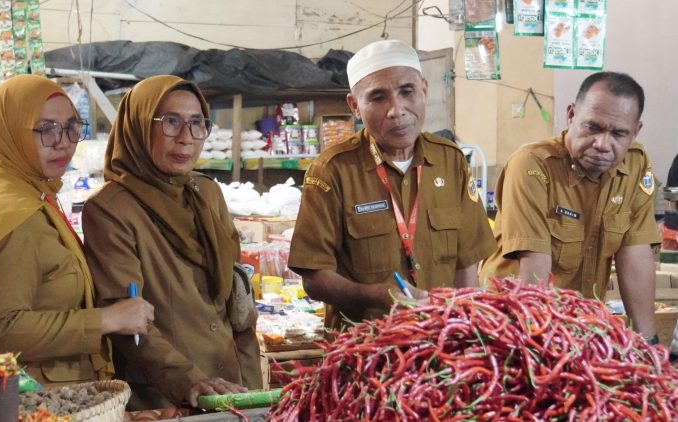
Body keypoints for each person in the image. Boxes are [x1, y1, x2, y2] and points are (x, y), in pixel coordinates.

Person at [0, 75, 154, 386]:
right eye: (46, 129)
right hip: (37, 402)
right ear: (9, 134)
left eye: (72, 127)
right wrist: (107, 319)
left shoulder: (34, 196)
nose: (63, 142)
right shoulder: (10, 213)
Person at [82, 75, 262, 410]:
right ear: (138, 127)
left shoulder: (206, 192)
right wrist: (187, 379)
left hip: (231, 382)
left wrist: (251, 385)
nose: (185, 139)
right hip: (164, 394)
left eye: (197, 124)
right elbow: (127, 322)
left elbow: (234, 297)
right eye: (170, 122)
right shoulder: (110, 209)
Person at [288, 40, 496, 328]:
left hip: (440, 347)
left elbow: (466, 266)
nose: (396, 110)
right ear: (355, 106)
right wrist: (374, 296)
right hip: (364, 351)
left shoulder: (451, 162)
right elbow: (314, 279)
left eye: (407, 91)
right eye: (377, 98)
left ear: (424, 90)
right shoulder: (331, 172)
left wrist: (465, 330)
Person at [480, 71, 660, 343]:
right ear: (571, 115)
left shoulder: (635, 164)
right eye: (593, 127)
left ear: (635, 132)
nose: (602, 144)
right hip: (512, 323)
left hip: (576, 325)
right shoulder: (532, 166)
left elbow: (634, 254)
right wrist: (540, 349)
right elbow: (535, 272)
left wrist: (649, 345)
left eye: (619, 134)